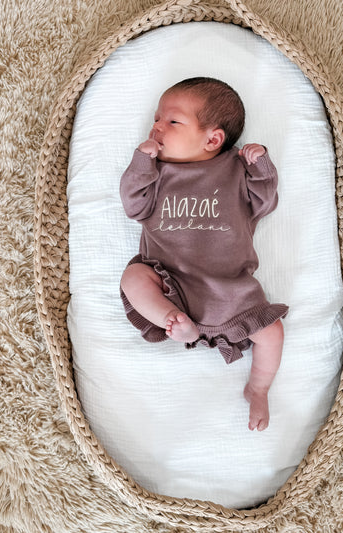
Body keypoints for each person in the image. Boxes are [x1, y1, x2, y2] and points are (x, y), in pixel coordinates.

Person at [119, 77, 288, 431]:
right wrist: (140, 165)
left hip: (230, 290)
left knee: (271, 332)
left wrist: (261, 168)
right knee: (133, 277)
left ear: (212, 139)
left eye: (172, 121)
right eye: (156, 119)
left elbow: (265, 203)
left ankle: (258, 387)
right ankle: (172, 320)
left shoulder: (234, 170)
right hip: (169, 281)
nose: (157, 127)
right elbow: (134, 207)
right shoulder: (157, 173)